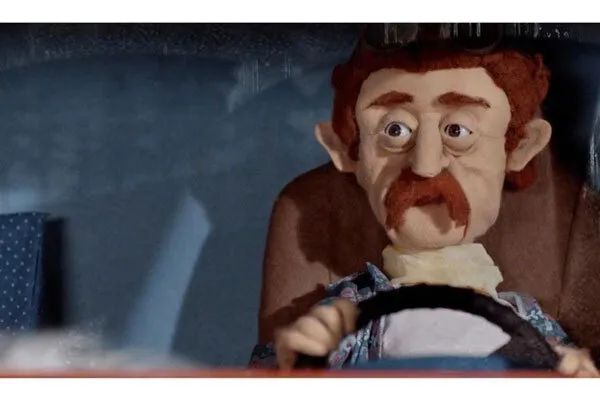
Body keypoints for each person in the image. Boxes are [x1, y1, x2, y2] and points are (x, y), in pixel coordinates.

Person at [249, 36, 599, 376]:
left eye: (458, 131)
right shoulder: (344, 317)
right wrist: (297, 363)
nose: (425, 165)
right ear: (347, 150)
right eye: (395, 130)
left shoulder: (531, 324)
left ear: (520, 148)